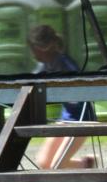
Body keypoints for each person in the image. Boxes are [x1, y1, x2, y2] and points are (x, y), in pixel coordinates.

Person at [27, 24, 94, 171]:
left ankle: (88, 168)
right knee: (44, 162)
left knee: (57, 165)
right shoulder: (45, 65)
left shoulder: (66, 64)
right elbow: (31, 81)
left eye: (32, 49)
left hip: (82, 119)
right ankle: (87, 164)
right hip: (66, 118)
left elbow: (79, 94)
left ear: (41, 48)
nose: (32, 53)